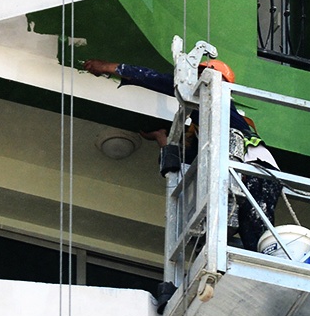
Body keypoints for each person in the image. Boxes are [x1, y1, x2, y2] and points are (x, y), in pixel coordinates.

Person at [81, 57, 278, 248]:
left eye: (205, 75)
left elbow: (161, 81)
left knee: (256, 235)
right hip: (242, 174)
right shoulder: (205, 130)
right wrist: (161, 138)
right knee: (246, 236)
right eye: (199, 74)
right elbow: (184, 163)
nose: (198, 81)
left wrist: (108, 67)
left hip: (258, 169)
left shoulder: (220, 103)